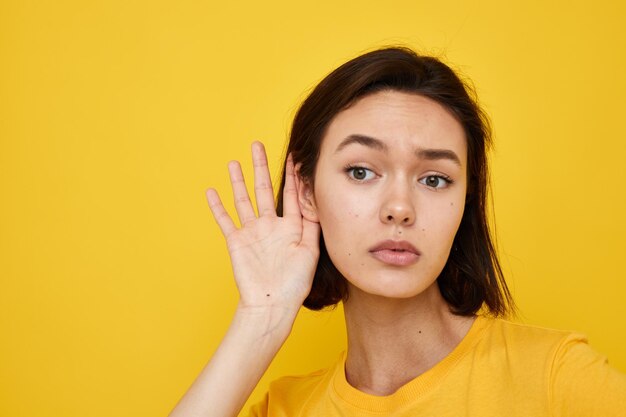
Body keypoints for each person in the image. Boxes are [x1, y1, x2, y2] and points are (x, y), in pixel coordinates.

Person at [169, 47, 626, 417]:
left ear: (465, 201)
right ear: (306, 192)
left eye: (434, 179)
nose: (400, 209)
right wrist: (260, 320)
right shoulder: (286, 409)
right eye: (362, 171)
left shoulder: (555, 378)